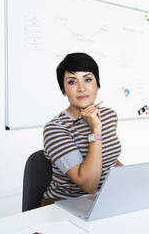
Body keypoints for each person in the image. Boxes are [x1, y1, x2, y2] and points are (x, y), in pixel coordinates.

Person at [41, 53, 122, 206]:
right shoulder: (55, 129)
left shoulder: (108, 115)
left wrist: (135, 180)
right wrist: (95, 129)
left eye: (88, 79)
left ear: (97, 84)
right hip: (65, 205)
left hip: (102, 201)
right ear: (63, 90)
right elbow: (89, 185)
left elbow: (109, 160)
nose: (81, 88)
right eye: (72, 82)